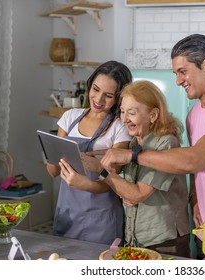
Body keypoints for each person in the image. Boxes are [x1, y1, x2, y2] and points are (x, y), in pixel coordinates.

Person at [96, 34, 205, 258]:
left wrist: (131, 156)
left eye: (183, 71)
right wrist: (195, 199)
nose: (178, 81)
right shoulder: (195, 114)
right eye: (176, 74)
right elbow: (195, 170)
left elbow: (194, 159)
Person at [60, 80, 191, 258]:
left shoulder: (166, 143)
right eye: (122, 111)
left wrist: (101, 169)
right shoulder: (135, 142)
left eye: (132, 113)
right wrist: (123, 192)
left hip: (164, 240)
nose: (124, 119)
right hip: (137, 237)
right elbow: (129, 191)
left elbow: (136, 194)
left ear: (153, 115)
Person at [45, 60, 132, 245]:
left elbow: (113, 183)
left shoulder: (120, 127)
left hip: (101, 218)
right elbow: (52, 171)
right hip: (67, 212)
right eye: (96, 89)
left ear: (119, 97)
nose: (99, 100)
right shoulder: (69, 117)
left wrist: (84, 184)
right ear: (89, 84)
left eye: (108, 95)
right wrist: (50, 148)